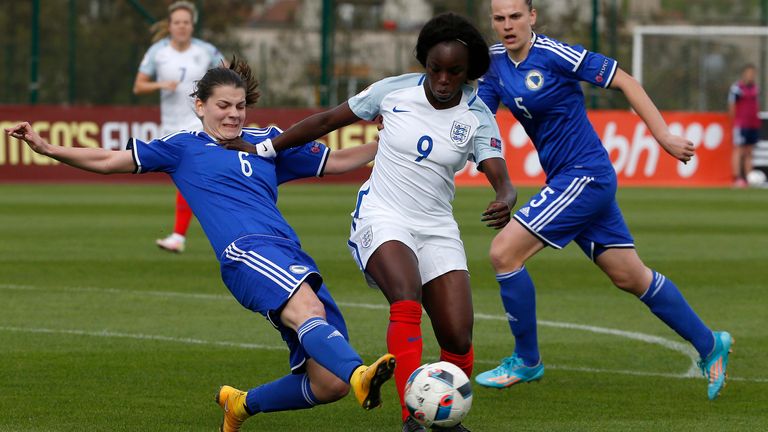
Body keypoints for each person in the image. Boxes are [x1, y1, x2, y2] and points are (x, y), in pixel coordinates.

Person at [7, 57, 396, 432]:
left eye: (240, 106)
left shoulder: (268, 143)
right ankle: (359, 373)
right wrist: (48, 149)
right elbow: (111, 159)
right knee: (310, 314)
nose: (233, 114)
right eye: (223, 105)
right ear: (200, 106)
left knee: (329, 384)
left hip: (289, 253)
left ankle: (240, 404)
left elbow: (339, 160)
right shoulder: (182, 147)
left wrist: (390, 143)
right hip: (245, 252)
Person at [226, 12, 516, 432]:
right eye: (435, 68)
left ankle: (445, 419)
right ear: (425, 63)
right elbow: (326, 121)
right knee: (405, 294)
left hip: (436, 225)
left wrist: (504, 198)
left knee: (458, 334)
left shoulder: (477, 115)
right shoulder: (393, 91)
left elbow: (501, 177)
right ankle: (412, 420)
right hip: (382, 214)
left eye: (454, 71)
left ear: (468, 71)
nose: (443, 79)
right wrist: (267, 147)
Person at [473, 0, 732, 401]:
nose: (508, 26)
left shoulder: (555, 55)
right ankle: (710, 343)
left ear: (532, 16)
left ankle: (526, 360)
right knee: (629, 275)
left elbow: (625, 80)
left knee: (504, 254)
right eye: (499, 18)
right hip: (567, 180)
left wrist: (663, 137)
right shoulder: (492, 63)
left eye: (515, 17)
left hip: (585, 176)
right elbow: (479, 117)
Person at [133, 1, 225, 253]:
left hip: (200, 124)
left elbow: (229, 76)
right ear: (170, 25)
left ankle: (178, 236)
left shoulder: (206, 51)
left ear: (192, 25)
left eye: (186, 22)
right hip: (170, 126)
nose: (182, 27)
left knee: (188, 176)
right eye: (177, 22)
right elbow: (139, 86)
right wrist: (161, 85)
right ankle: (192, 231)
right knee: (192, 180)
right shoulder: (158, 52)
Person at [728, 64, 761, 188]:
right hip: (741, 124)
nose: (751, 75)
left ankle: (749, 178)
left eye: (753, 73)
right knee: (739, 150)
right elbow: (732, 106)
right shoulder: (737, 88)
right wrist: (733, 122)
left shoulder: (755, 88)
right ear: (744, 74)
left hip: (753, 124)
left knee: (749, 151)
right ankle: (737, 178)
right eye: (749, 73)